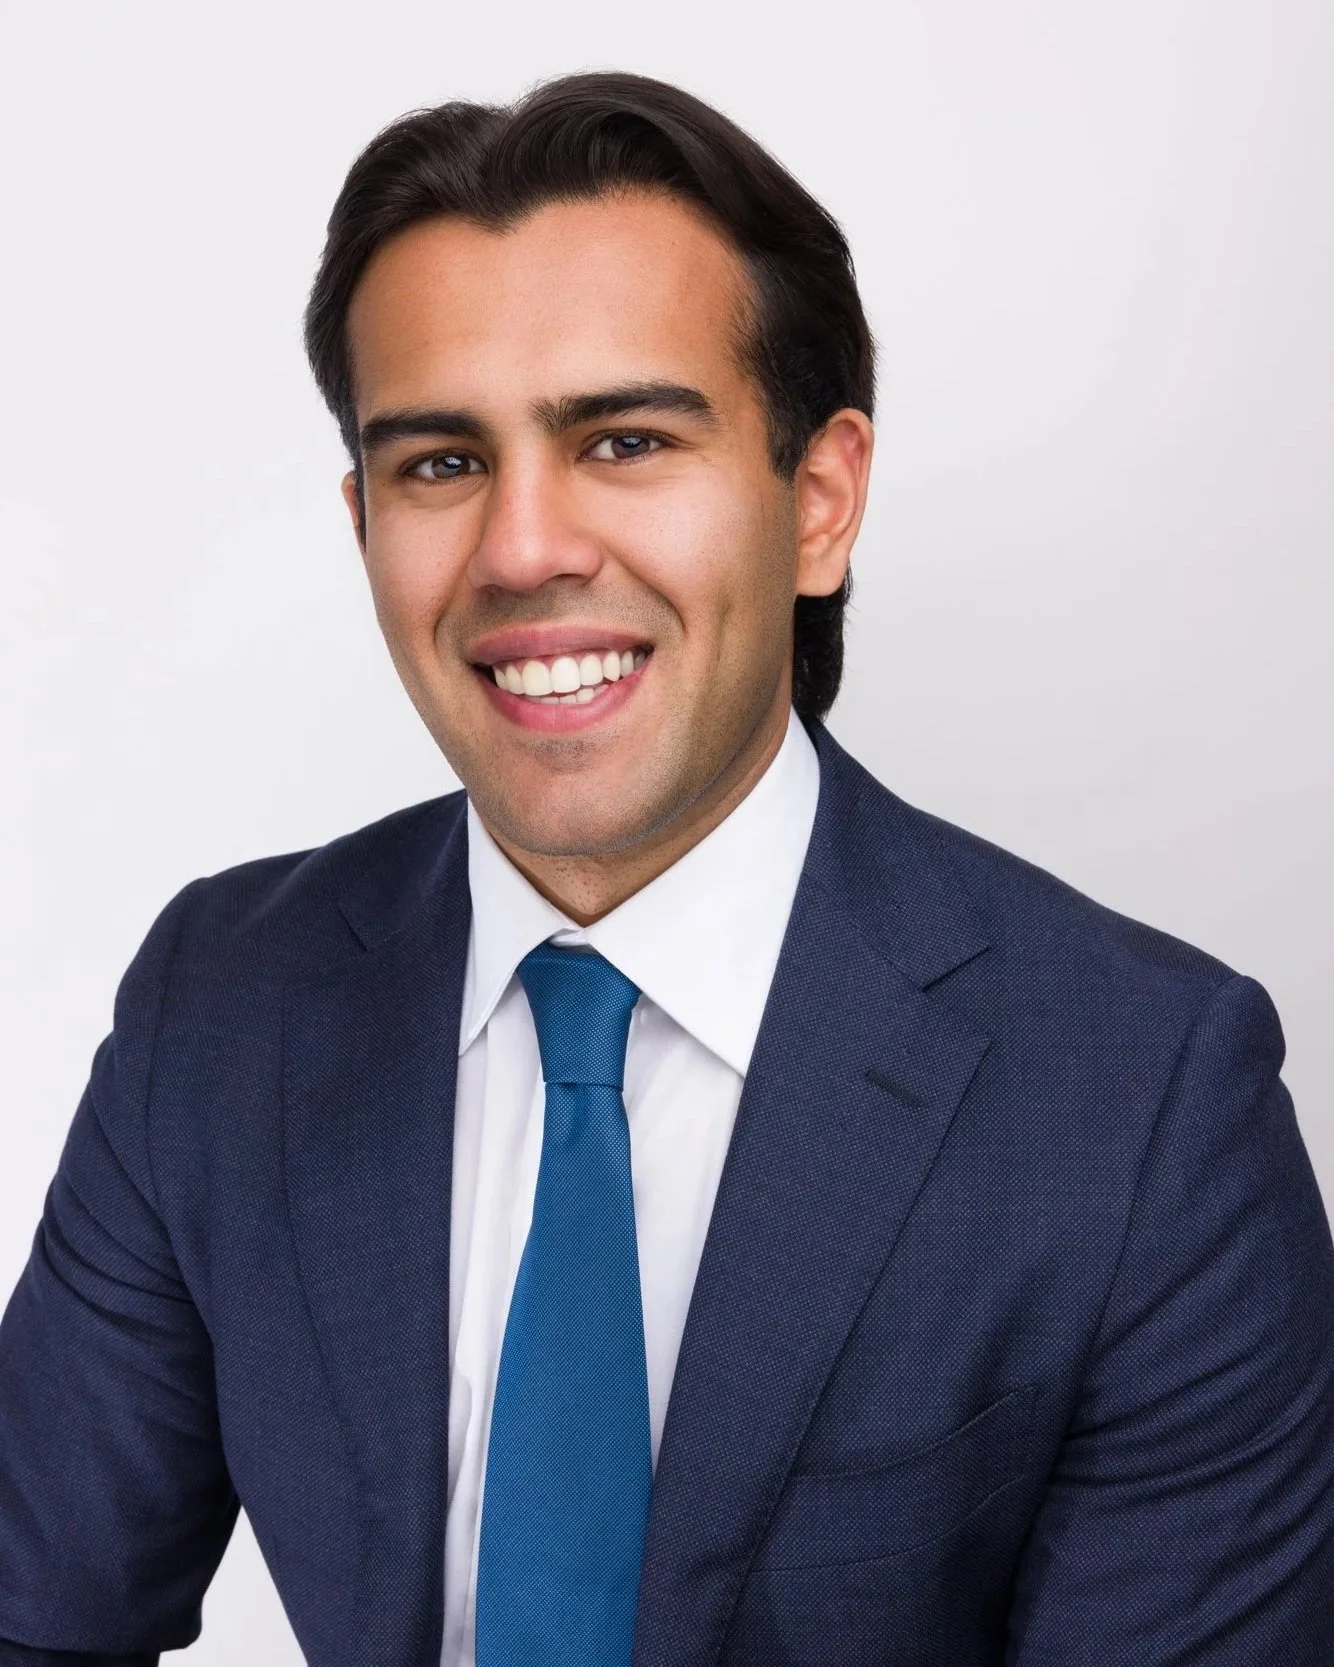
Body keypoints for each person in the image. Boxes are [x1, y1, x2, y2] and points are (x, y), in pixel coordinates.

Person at [1, 68, 1331, 1667]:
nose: (520, 548)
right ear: (362, 521)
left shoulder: (1141, 1102)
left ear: (819, 499)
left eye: (622, 439)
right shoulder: (221, 1002)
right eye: (439, 463)